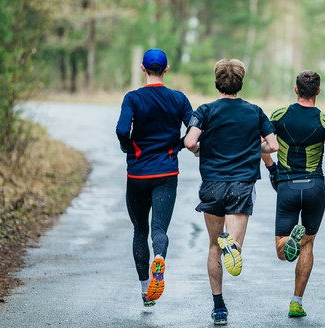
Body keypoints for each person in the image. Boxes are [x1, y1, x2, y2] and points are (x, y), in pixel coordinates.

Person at [184, 59, 279, 325]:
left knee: (213, 245)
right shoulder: (255, 112)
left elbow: (190, 141)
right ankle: (232, 244)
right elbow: (273, 147)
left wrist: (201, 150)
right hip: (241, 183)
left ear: (217, 82)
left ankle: (219, 307)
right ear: (240, 82)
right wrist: (251, 147)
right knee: (233, 245)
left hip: (213, 183)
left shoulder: (205, 110)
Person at [115, 48, 193, 307]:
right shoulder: (178, 98)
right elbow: (195, 127)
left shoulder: (133, 98)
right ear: (166, 70)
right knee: (159, 229)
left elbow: (121, 129)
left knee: (140, 229)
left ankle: (144, 291)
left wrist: (128, 147)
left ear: (142, 68)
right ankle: (159, 257)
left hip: (137, 174)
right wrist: (179, 145)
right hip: (166, 174)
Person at [261, 70, 325, 318]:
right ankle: (296, 302)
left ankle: (289, 240)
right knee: (308, 243)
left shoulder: (278, 115)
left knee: (281, 249)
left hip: (287, 185)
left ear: (296, 89)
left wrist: (271, 167)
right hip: (314, 186)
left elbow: (259, 143)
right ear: (318, 91)